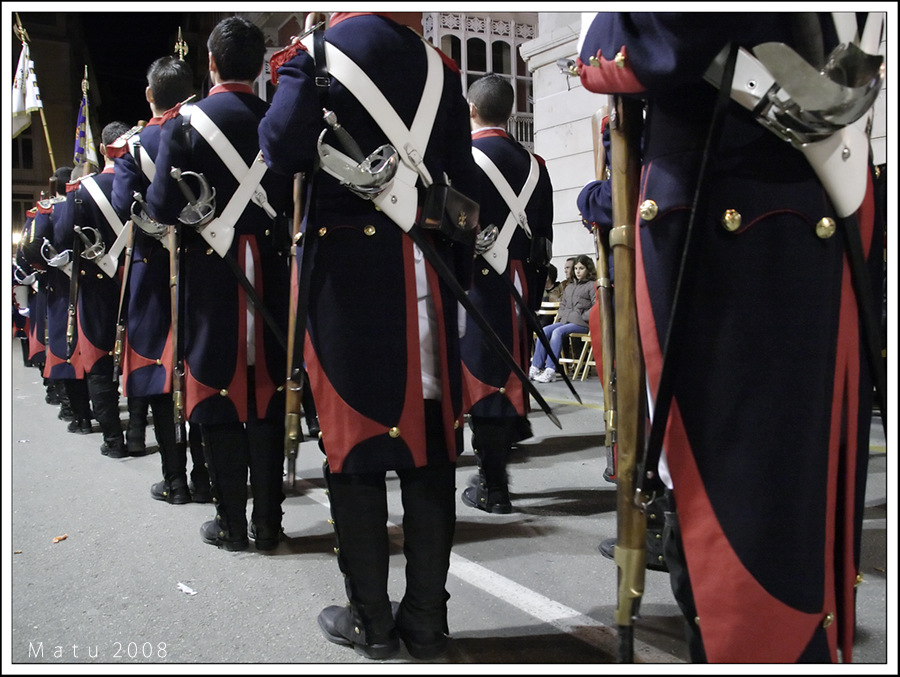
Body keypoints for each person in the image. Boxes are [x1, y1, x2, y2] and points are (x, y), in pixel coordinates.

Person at [577, 12, 880, 663]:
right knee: (804, 492)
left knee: (731, 511)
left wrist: (599, 36)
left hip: (724, 197)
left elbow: (658, 40)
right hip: (822, 191)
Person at [259, 11, 478, 660]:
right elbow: (462, 193)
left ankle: (372, 620)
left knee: (354, 443)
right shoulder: (440, 67)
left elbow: (282, 146)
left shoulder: (319, 52)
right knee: (432, 443)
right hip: (427, 275)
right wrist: (454, 278)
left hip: (349, 281)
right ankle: (428, 621)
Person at [146, 17, 292, 551]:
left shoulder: (183, 124)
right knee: (269, 394)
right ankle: (270, 524)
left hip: (212, 276)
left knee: (220, 392)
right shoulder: (279, 120)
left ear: (210, 65)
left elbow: (162, 206)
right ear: (259, 68)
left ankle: (231, 525)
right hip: (273, 273)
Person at [110, 54, 211, 504]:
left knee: (159, 374)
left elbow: (120, 207)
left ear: (150, 95)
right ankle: (207, 476)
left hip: (152, 273)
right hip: (202, 264)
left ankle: (175, 481)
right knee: (202, 371)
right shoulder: (203, 129)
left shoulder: (135, 146)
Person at [459, 73, 554, 515]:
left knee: (483, 379)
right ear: (510, 112)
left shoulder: (463, 158)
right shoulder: (536, 164)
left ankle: (493, 486)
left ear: (471, 110)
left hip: (477, 280)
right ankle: (502, 452)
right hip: (522, 282)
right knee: (507, 371)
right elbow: (544, 239)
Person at [56, 121, 135, 458]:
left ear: (103, 150)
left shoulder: (81, 191)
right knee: (144, 358)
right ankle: (137, 436)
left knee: (100, 363)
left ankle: (115, 442)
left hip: (97, 288)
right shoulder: (141, 182)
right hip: (138, 281)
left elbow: (60, 240)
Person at [529, 254, 596, 383]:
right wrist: (563, 315)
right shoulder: (569, 287)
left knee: (557, 332)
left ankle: (550, 370)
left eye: (581, 268)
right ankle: (535, 367)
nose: (577, 271)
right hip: (567, 321)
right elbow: (563, 305)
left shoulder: (592, 285)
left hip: (582, 323)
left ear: (588, 269)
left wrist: (583, 316)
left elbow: (596, 306)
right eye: (576, 268)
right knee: (544, 330)